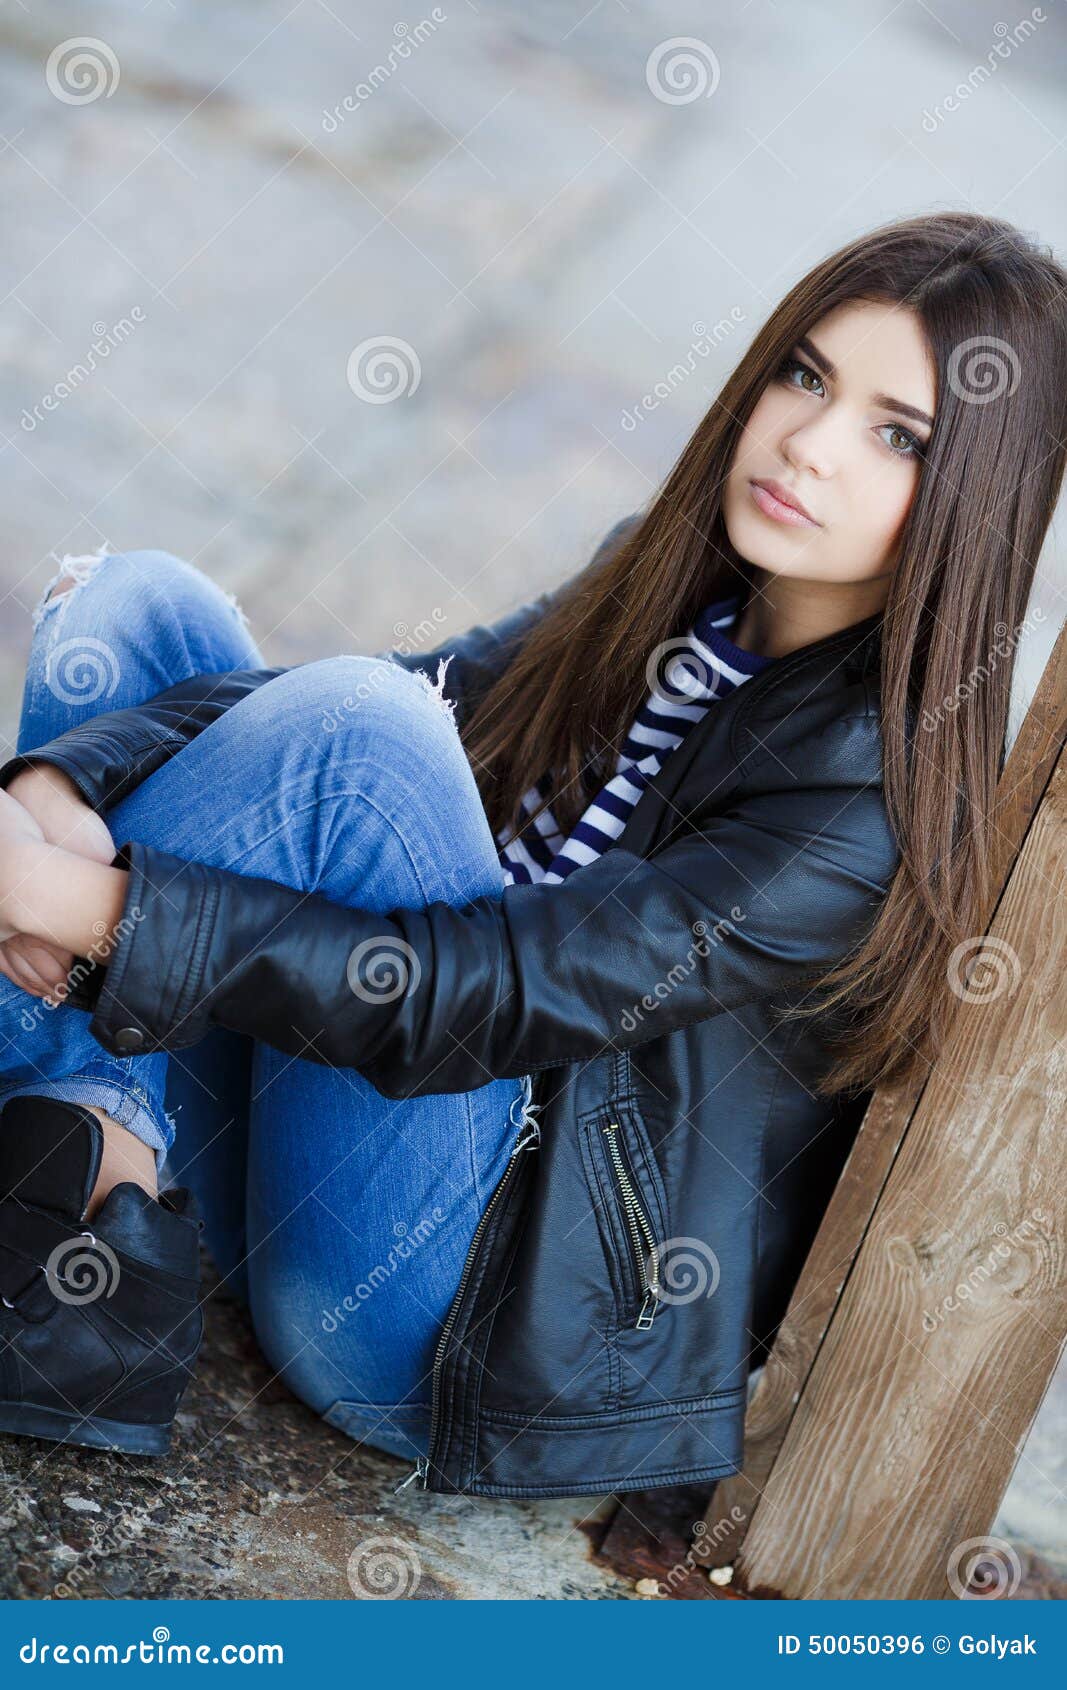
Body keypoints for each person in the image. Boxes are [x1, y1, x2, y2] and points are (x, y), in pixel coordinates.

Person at [0, 210, 1063, 1497]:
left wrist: (71, 893)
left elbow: (490, 989)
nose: (806, 445)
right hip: (325, 1123)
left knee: (365, 739)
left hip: (436, 1314)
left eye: (896, 436)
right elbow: (394, 687)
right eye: (804, 375)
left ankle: (58, 1150)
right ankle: (86, 1212)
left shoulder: (862, 802)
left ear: (972, 502)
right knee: (139, 608)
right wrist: (62, 777)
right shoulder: (668, 579)